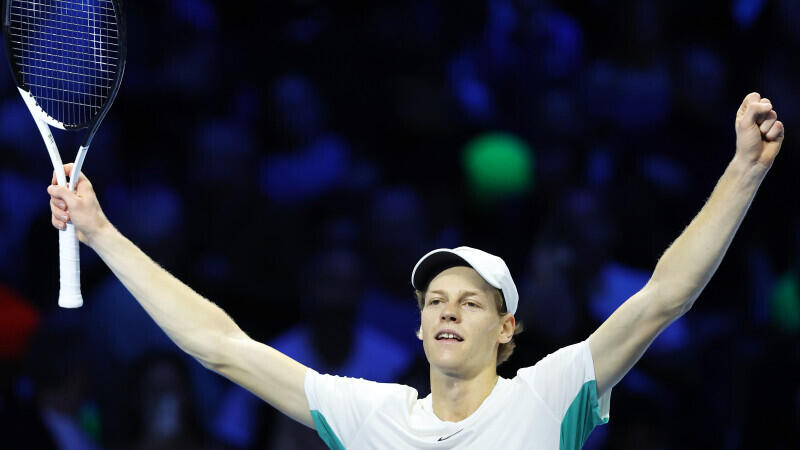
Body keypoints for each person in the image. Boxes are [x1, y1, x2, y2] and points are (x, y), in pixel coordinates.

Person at [47, 93, 785, 449]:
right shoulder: (373, 416)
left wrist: (744, 174)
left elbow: (663, 297)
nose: (448, 311)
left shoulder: (552, 394)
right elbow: (221, 346)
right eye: (435, 300)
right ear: (420, 324)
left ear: (506, 330)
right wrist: (103, 232)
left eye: (470, 302)